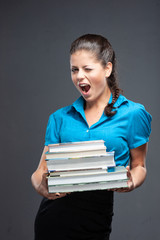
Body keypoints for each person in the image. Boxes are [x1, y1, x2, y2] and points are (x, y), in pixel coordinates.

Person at [31, 34, 152, 240]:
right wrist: (40, 185)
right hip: (52, 218)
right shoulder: (59, 118)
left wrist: (131, 182)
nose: (79, 76)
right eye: (74, 70)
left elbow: (139, 166)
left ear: (107, 69)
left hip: (96, 218)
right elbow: (38, 172)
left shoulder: (133, 114)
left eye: (87, 69)